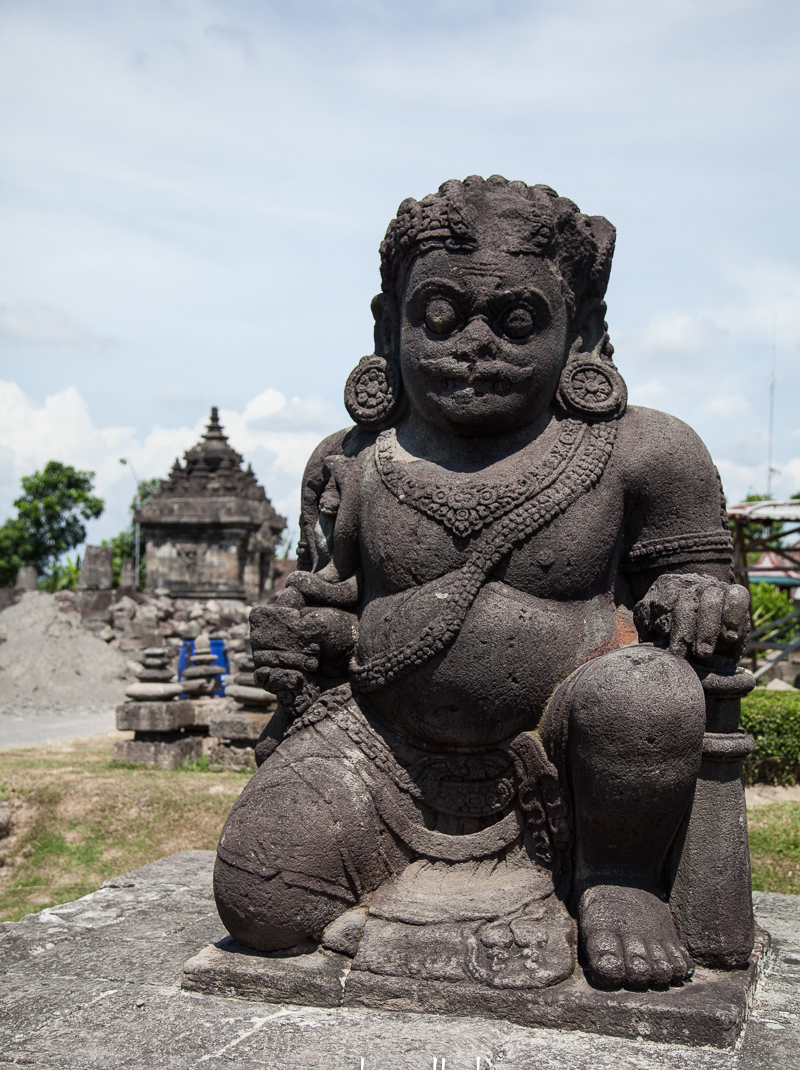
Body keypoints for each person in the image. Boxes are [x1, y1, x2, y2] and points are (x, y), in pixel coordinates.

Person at [214, 176, 751, 991]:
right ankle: (454, 920)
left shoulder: (645, 452)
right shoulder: (351, 460)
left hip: (563, 763)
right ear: (386, 329)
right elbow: (324, 602)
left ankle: (617, 879)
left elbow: (708, 579)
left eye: (517, 320)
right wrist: (293, 631)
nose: (474, 344)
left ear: (583, 336)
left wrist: (696, 591)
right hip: (382, 748)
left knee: (646, 693)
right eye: (438, 317)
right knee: (258, 897)